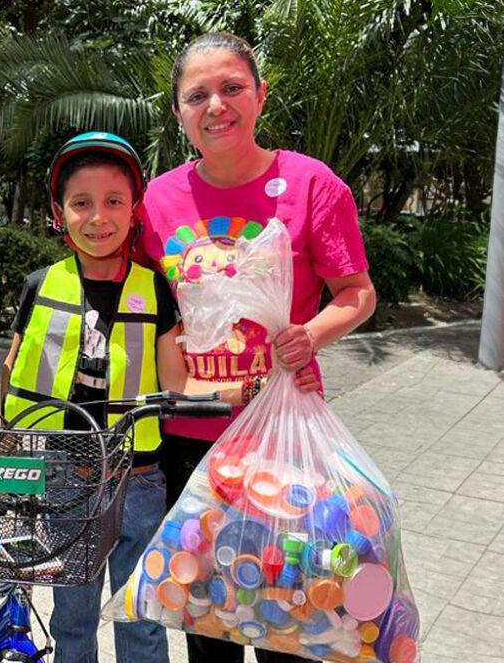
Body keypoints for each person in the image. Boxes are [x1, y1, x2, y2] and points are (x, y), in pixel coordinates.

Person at [133, 32, 378, 663]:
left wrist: (309, 335)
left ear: (260, 96)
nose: (216, 105)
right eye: (198, 95)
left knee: (287, 619)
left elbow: (357, 293)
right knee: (207, 619)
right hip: (192, 439)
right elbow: (140, 306)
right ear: (180, 112)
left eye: (232, 88)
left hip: (282, 440)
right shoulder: (156, 202)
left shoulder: (311, 184)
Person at [1, 132, 253, 663]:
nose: (99, 217)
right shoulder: (38, 285)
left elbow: (176, 382)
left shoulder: (155, 287)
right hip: (62, 474)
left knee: (142, 613)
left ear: (134, 210)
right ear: (58, 212)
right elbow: (13, 375)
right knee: (72, 617)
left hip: (138, 475)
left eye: (114, 201)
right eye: (82, 203)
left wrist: (244, 389)